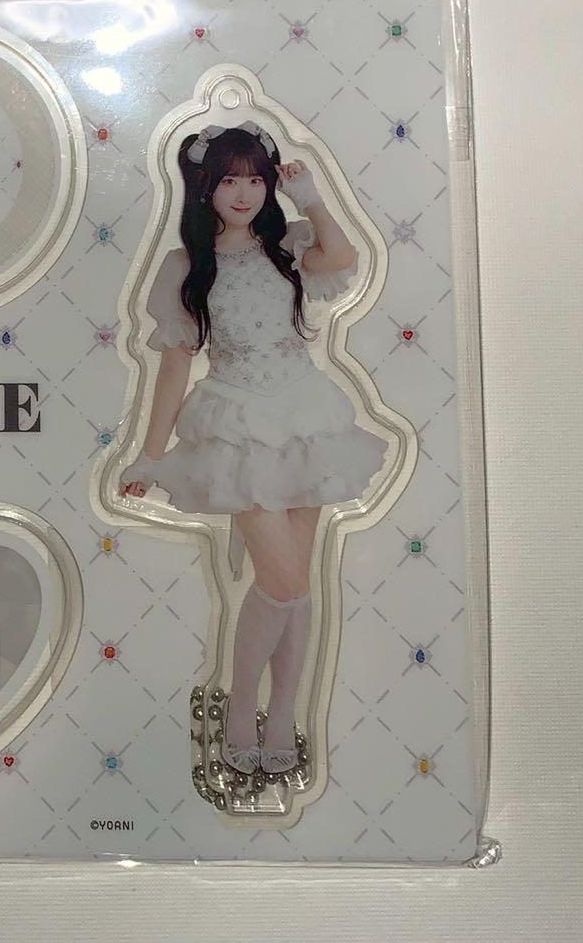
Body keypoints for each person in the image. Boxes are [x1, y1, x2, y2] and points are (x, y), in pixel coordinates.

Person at [119, 122, 387, 775]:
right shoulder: (185, 266)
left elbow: (341, 258)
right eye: (228, 181)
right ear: (205, 188)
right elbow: (174, 368)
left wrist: (311, 197)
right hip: (236, 426)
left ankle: (285, 711)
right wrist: (150, 454)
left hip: (304, 417)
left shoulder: (287, 245)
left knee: (296, 582)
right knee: (284, 580)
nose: (243, 193)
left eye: (254, 180)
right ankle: (243, 704)